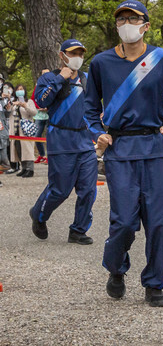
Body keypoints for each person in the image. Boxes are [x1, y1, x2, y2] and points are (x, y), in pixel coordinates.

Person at [85, 0, 163, 307]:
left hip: (155, 148)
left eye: (133, 18)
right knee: (125, 222)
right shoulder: (101, 63)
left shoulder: (162, 59)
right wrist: (97, 132)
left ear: (145, 26)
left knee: (159, 222)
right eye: (121, 19)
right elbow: (90, 106)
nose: (127, 23)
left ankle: (154, 283)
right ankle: (116, 269)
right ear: (116, 26)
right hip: (120, 149)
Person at [28, 39, 97, 244]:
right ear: (62, 55)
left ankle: (78, 230)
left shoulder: (87, 79)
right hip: (61, 140)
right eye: (73, 53)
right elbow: (41, 101)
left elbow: (96, 106)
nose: (78, 58)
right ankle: (39, 214)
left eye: (81, 54)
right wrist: (60, 79)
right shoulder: (49, 77)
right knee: (60, 190)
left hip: (85, 142)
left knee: (88, 190)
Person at [8, 83, 37, 177]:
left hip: (26, 130)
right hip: (15, 131)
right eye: (18, 89)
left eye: (21, 89)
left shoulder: (29, 101)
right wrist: (10, 105)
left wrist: (25, 106)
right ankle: (23, 168)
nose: (19, 91)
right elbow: (7, 114)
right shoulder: (13, 102)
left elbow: (34, 113)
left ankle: (30, 169)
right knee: (19, 149)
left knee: (27, 149)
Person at [32, 69, 50, 164]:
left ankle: (49, 156)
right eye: (43, 74)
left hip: (49, 114)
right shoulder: (38, 85)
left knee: (49, 135)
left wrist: (47, 107)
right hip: (39, 115)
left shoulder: (53, 84)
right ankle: (42, 155)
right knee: (36, 136)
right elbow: (33, 98)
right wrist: (39, 106)